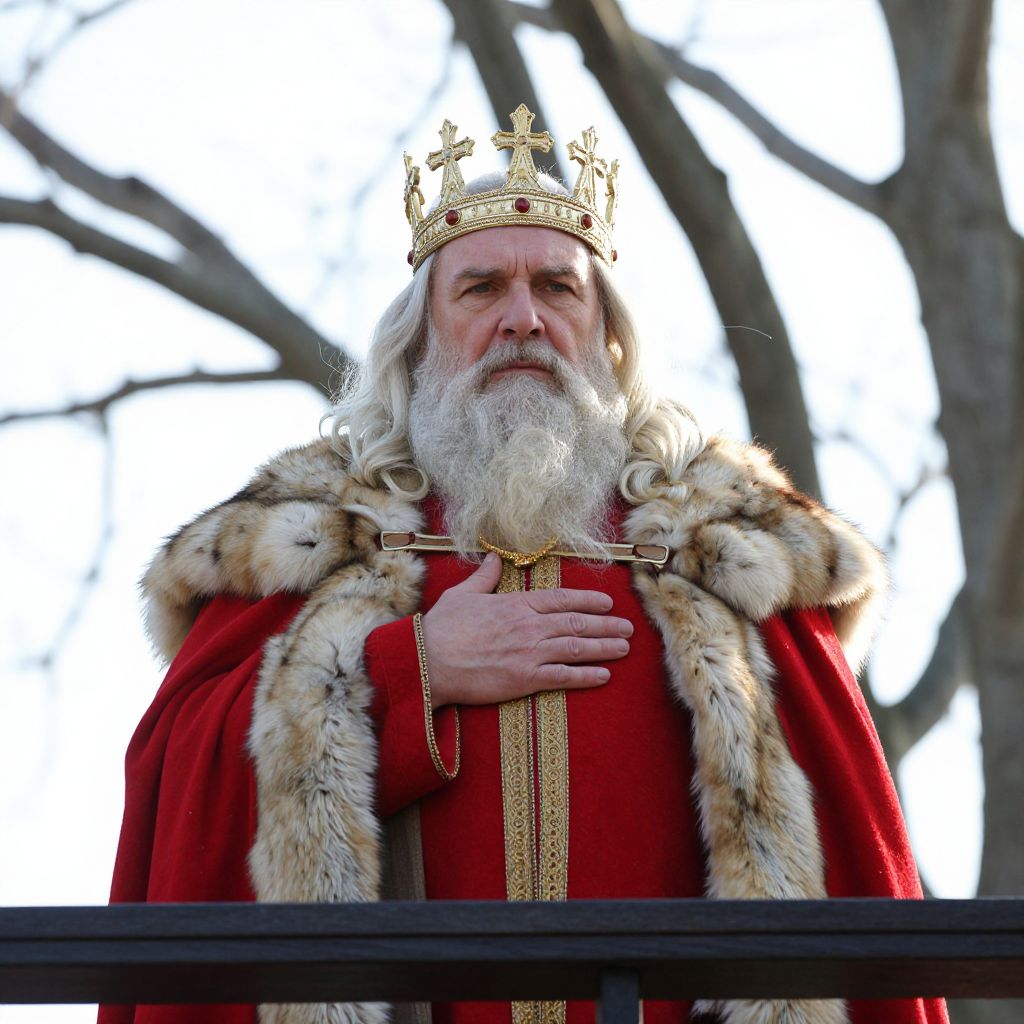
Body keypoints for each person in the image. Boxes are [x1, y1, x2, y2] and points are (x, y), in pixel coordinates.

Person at [100, 105, 948, 1024]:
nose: (523, 320)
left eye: (556, 287)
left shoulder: (727, 549)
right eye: (480, 289)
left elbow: (858, 847)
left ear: (608, 334)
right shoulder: (313, 537)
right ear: (419, 335)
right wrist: (406, 671)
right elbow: (178, 785)